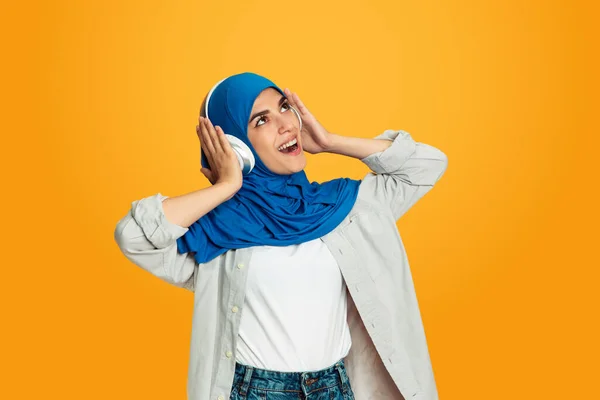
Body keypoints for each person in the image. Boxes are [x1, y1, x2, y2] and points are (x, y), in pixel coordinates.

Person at [114, 72, 448, 400]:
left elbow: (428, 164)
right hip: (251, 391)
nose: (286, 124)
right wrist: (228, 186)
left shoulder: (345, 208)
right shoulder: (216, 232)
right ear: (234, 146)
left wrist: (331, 142)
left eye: (284, 107)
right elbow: (133, 236)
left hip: (334, 388)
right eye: (261, 120)